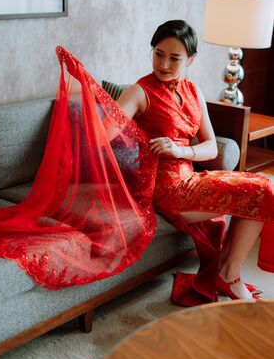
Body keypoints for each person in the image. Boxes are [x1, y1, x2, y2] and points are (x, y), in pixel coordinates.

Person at [114, 19, 274, 305]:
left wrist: (181, 151)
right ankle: (228, 277)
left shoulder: (192, 91)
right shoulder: (140, 91)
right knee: (260, 192)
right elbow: (105, 130)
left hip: (189, 178)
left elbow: (211, 147)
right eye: (158, 53)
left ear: (190, 60)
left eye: (174, 58)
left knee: (264, 185)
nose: (163, 64)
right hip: (165, 191)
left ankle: (228, 272)